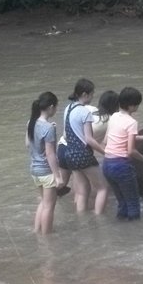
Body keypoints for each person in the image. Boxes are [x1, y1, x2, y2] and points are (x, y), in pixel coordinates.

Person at [102, 87, 143, 220]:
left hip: (107, 165)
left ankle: (121, 234)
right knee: (133, 204)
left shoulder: (114, 116)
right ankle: (134, 237)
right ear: (132, 105)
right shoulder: (132, 122)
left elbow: (107, 140)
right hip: (122, 167)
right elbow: (131, 151)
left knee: (122, 203)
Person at [58, 78, 108, 214]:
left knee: (82, 190)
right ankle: (99, 219)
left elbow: (67, 134)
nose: (93, 97)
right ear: (85, 94)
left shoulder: (68, 108)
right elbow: (89, 139)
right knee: (102, 188)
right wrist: (105, 152)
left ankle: (82, 220)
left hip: (69, 154)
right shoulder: (85, 112)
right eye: (92, 94)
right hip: (83, 154)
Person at [26, 92, 65, 234]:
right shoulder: (48, 128)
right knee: (49, 206)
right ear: (51, 107)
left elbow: (27, 144)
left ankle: (37, 231)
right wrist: (58, 176)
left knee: (43, 203)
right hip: (46, 172)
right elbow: (50, 154)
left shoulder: (31, 122)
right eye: (56, 107)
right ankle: (47, 237)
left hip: (34, 171)